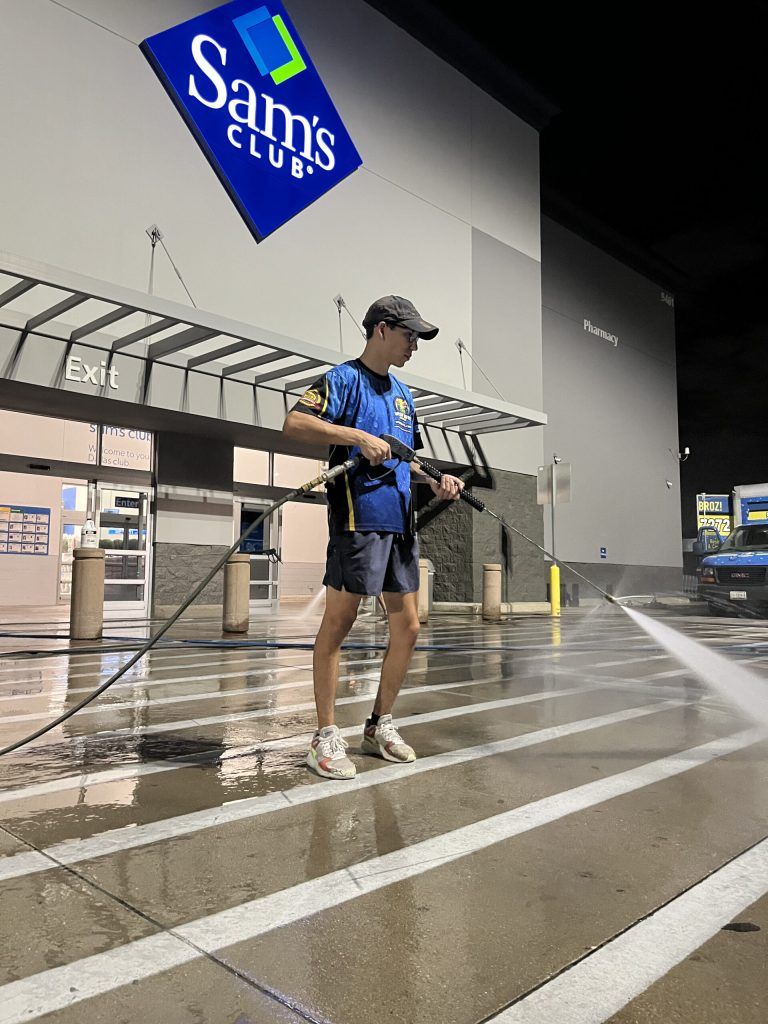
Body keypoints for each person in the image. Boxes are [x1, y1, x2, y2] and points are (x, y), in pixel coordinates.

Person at [282, 295, 464, 779]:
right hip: (357, 520)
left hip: (400, 524)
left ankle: (379, 724)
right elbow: (294, 422)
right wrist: (357, 437)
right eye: (409, 336)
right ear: (382, 329)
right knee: (339, 624)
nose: (414, 346)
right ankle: (322, 738)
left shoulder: (404, 397)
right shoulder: (342, 380)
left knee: (407, 627)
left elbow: (409, 458)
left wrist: (436, 480)